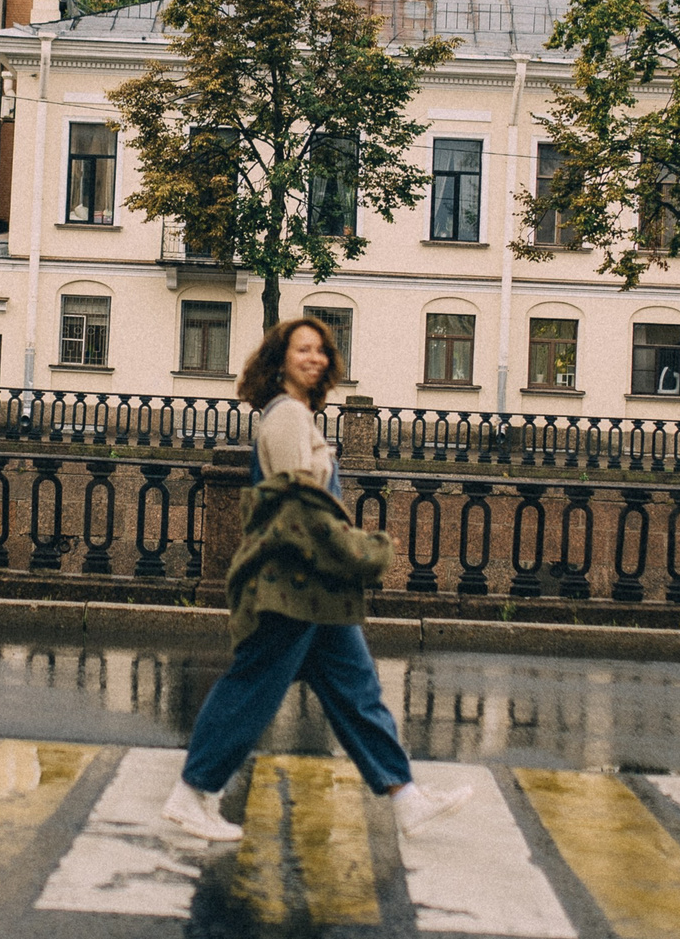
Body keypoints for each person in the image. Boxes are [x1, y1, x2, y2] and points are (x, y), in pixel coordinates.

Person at [159, 315, 469, 843]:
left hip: (313, 585)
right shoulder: (284, 418)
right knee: (252, 686)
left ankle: (405, 797)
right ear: (280, 360)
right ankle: (191, 793)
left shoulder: (300, 416)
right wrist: (360, 551)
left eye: (322, 351)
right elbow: (300, 510)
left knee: (357, 689)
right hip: (290, 582)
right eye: (303, 350)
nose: (315, 359)